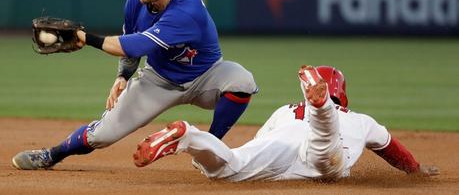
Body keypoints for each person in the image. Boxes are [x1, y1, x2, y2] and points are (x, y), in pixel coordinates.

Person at [12, 0, 257, 170]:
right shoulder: (134, 2)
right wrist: (123, 76)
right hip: (158, 80)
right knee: (102, 135)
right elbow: (131, 47)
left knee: (241, 81)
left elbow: (134, 44)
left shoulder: (188, 11)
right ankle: (51, 155)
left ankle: (210, 145)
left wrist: (84, 37)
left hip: (206, 77)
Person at [132, 65, 439, 181]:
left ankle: (189, 138)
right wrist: (415, 170)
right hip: (326, 153)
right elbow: (390, 148)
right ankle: (322, 110)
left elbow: (258, 143)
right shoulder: (361, 121)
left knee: (233, 164)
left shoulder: (284, 110)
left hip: (283, 141)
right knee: (326, 159)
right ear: (341, 94)